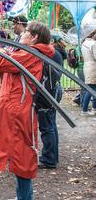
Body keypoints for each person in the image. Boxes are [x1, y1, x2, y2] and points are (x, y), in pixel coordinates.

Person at [0, 22, 55, 200]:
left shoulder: (31, 53)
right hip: (14, 108)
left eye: (25, 31)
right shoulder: (26, 51)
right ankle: (22, 197)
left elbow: (0, 63)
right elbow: (5, 70)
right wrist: (6, 52)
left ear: (34, 37)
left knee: (22, 155)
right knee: (15, 153)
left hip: (19, 110)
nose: (22, 33)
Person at [37, 38, 65, 169]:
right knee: (51, 124)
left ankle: (49, 159)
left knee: (47, 126)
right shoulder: (56, 53)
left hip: (48, 93)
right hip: (54, 91)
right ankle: (53, 156)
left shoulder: (49, 53)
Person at [81, 30, 96, 116]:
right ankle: (85, 109)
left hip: (87, 66)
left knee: (91, 88)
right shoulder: (93, 44)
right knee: (91, 89)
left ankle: (92, 108)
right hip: (93, 67)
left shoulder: (84, 43)